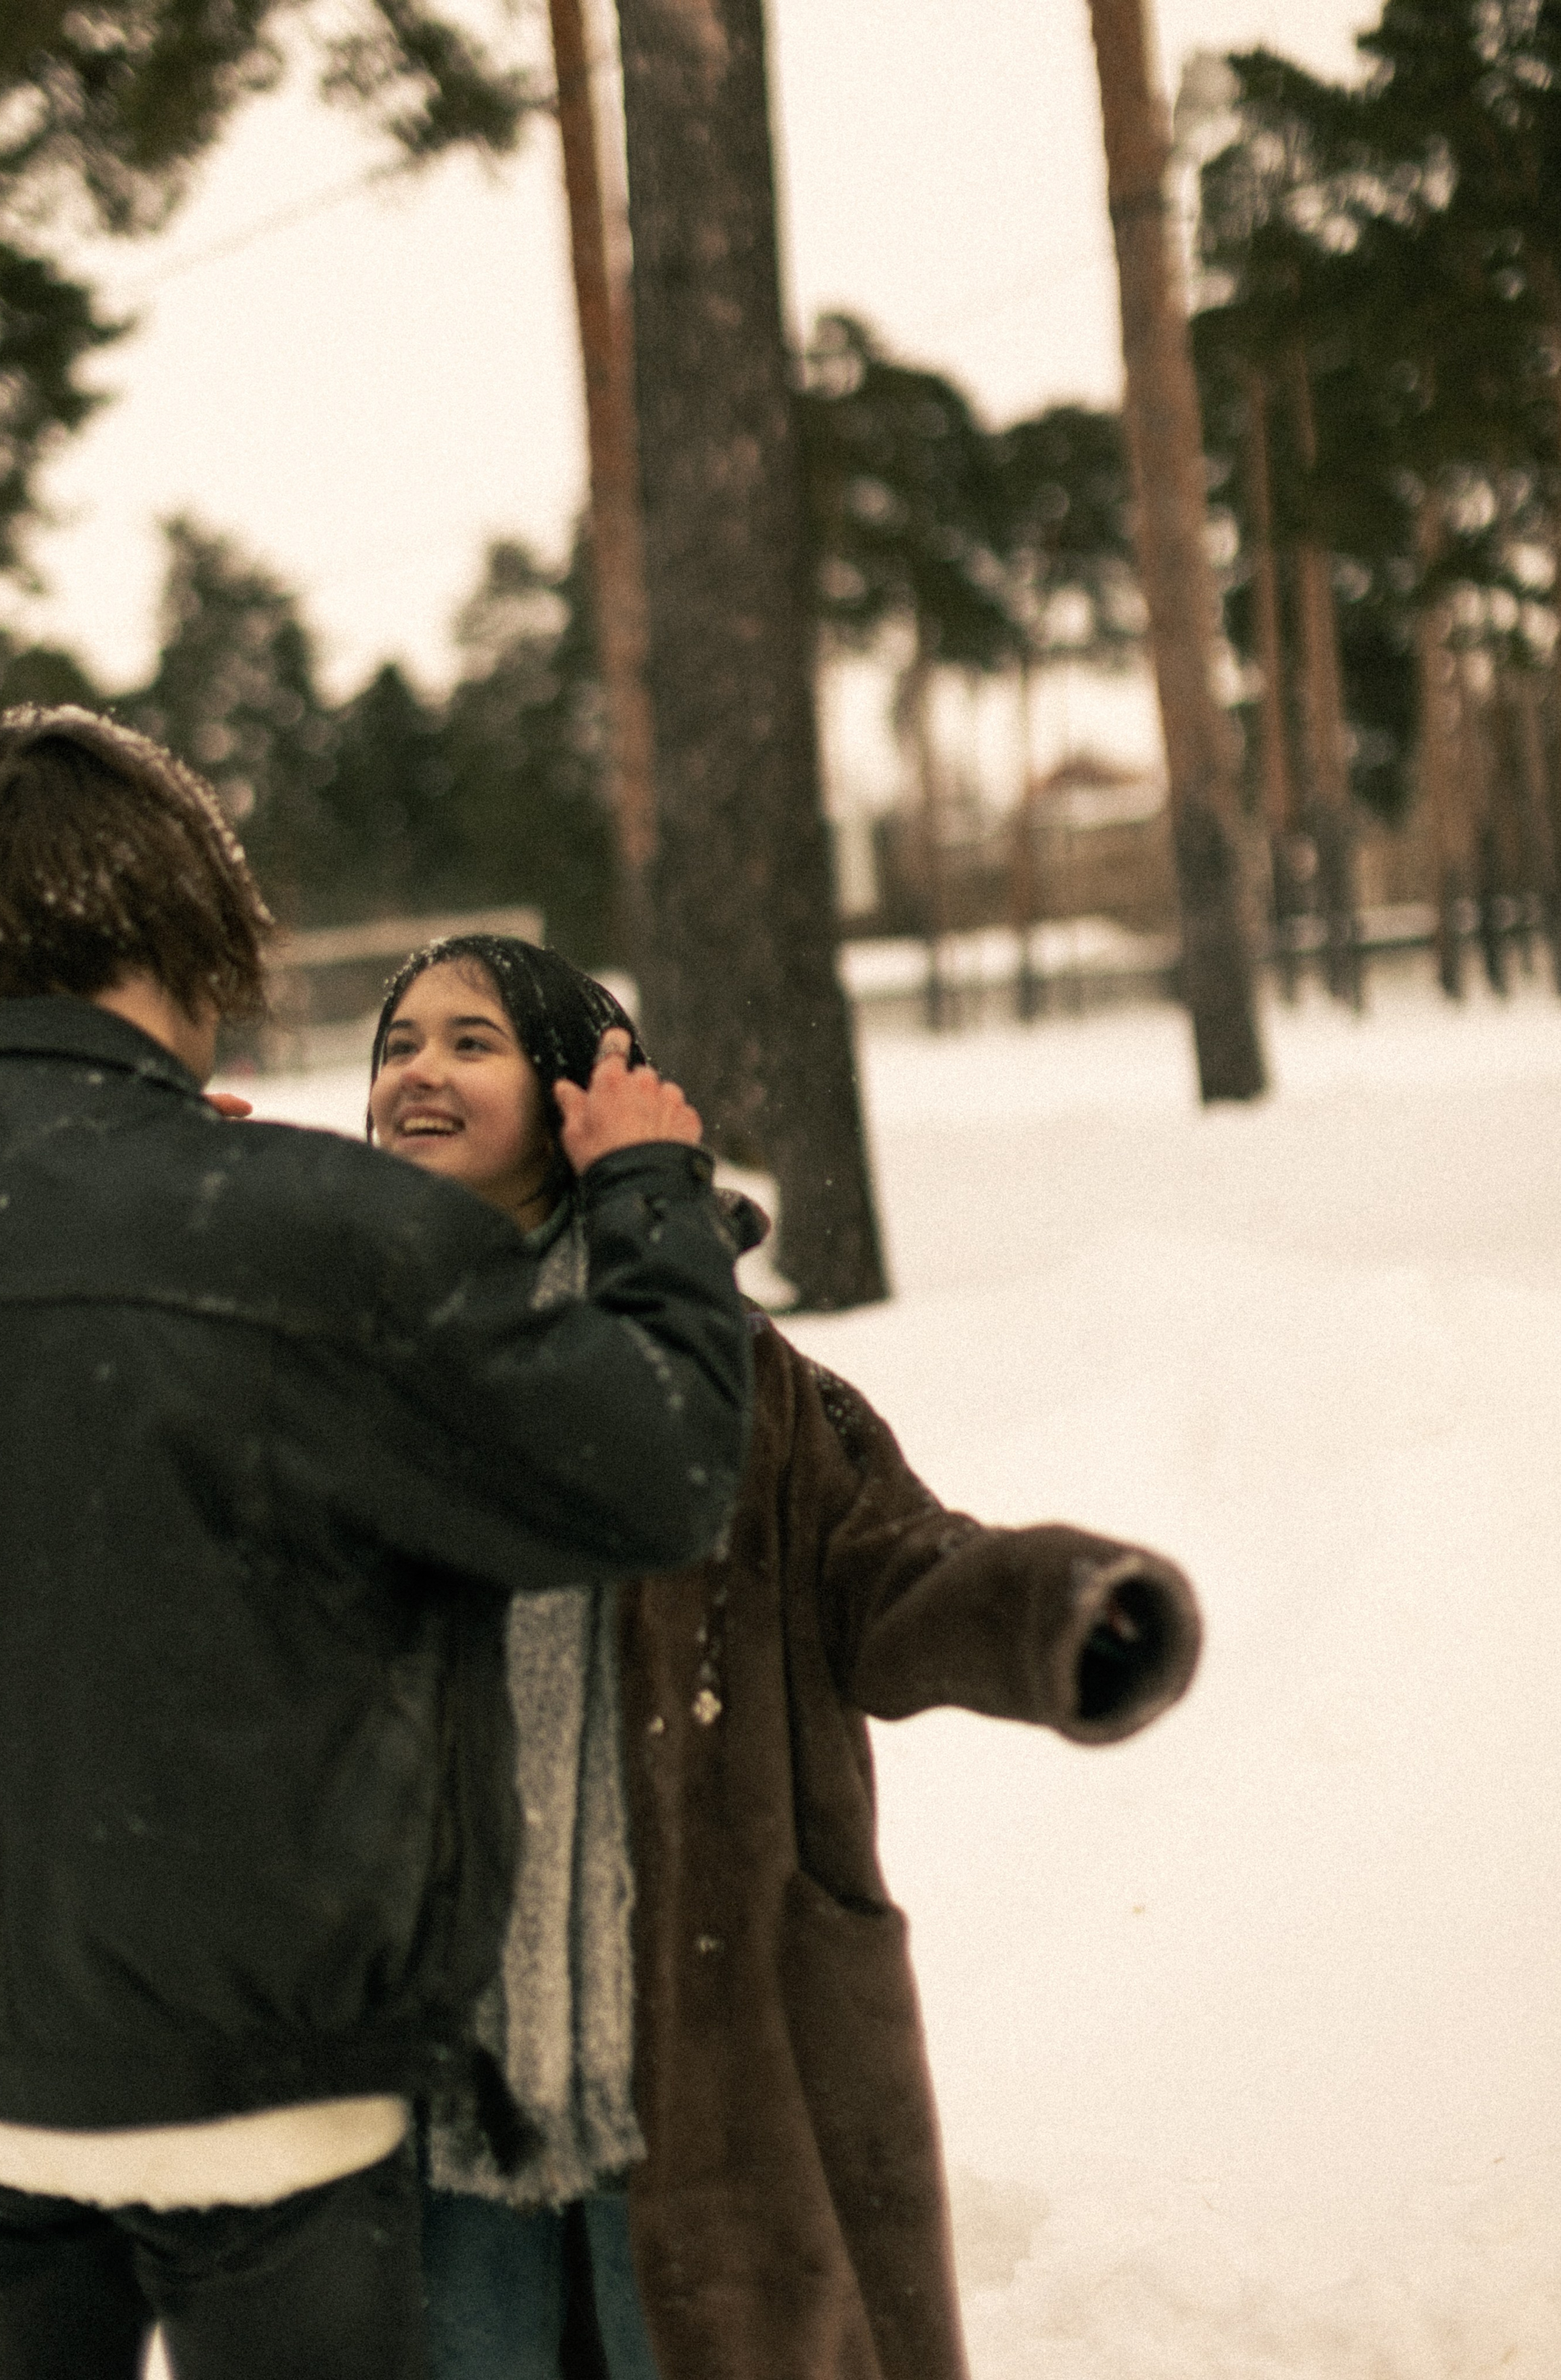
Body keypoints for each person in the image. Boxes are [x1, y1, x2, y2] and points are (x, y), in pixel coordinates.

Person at [0, 710, 751, 2379]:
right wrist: (658, 1202)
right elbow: (662, 1469)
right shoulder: (321, 1233)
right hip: (268, 2092)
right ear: (182, 941)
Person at [366, 933, 1204, 2380]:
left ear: (580, 1096)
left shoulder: (729, 1375)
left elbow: (885, 1576)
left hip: (695, 2048)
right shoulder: (336, 1354)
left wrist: (1052, 1608)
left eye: (469, 1040)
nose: (417, 1071)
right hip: (426, 2067)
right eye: (396, 1043)